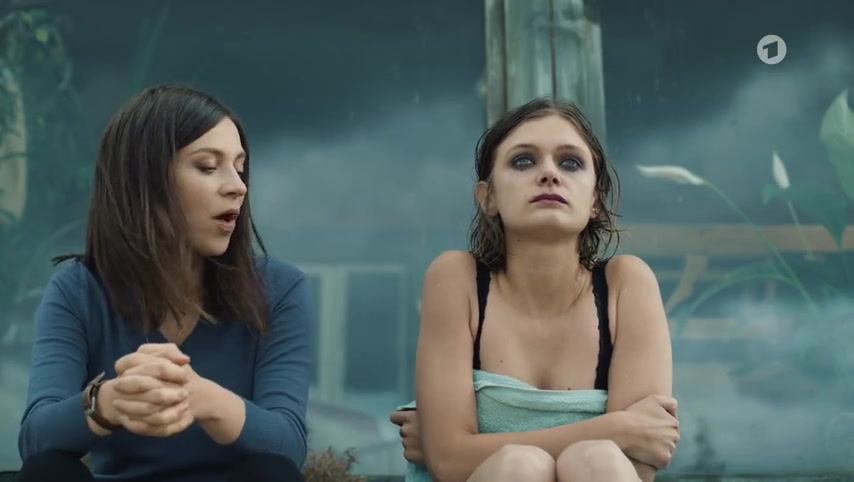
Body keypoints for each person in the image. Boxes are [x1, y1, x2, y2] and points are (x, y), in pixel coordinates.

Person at [16, 85, 312, 482]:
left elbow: (288, 446)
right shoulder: (77, 291)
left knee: (272, 472)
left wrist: (200, 396)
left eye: (239, 168)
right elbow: (35, 438)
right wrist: (109, 402)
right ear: (145, 182)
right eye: (208, 167)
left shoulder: (280, 288)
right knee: (46, 470)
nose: (237, 186)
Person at [390, 98, 680, 482]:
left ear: (595, 199)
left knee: (597, 459)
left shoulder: (626, 285)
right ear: (488, 197)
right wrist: (617, 428)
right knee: (519, 466)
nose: (549, 174)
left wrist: (465, 446)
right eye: (523, 161)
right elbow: (448, 462)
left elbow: (638, 462)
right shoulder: (458, 279)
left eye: (570, 163)